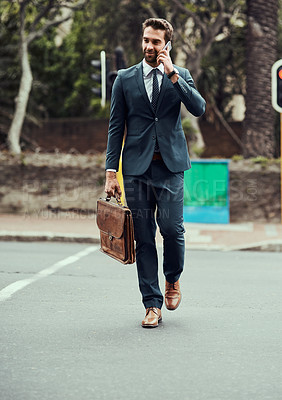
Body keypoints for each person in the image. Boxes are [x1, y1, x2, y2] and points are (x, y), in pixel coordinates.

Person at [104, 18, 206, 328]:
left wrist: (173, 73)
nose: (150, 46)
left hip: (170, 167)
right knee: (144, 238)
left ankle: (172, 279)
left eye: (156, 42)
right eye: (146, 40)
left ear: (167, 45)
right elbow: (115, 127)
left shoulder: (180, 75)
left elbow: (199, 108)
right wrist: (111, 171)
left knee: (172, 229)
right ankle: (151, 304)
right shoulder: (124, 79)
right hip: (135, 170)